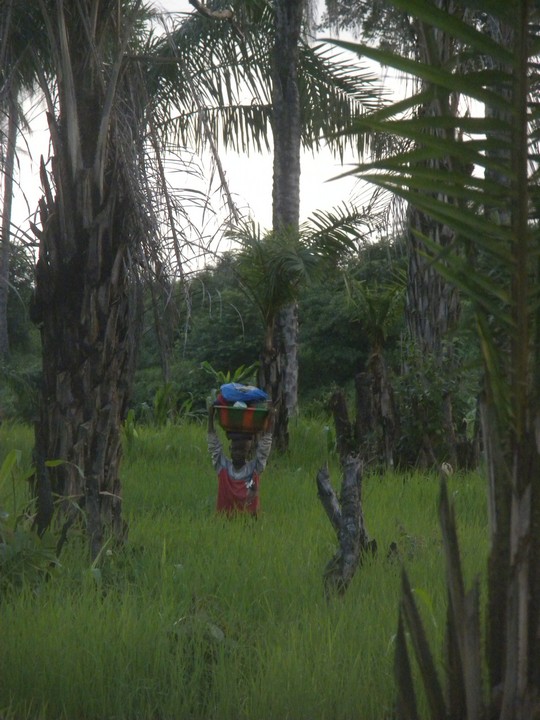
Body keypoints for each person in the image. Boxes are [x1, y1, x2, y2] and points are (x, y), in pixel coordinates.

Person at [207, 404, 275, 516]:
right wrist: (211, 417)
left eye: (242, 450)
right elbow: (213, 445)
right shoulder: (223, 467)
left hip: (249, 521)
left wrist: (270, 421)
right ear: (230, 449)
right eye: (235, 449)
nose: (238, 453)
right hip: (224, 521)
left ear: (247, 452)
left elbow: (264, 449)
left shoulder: (254, 469)